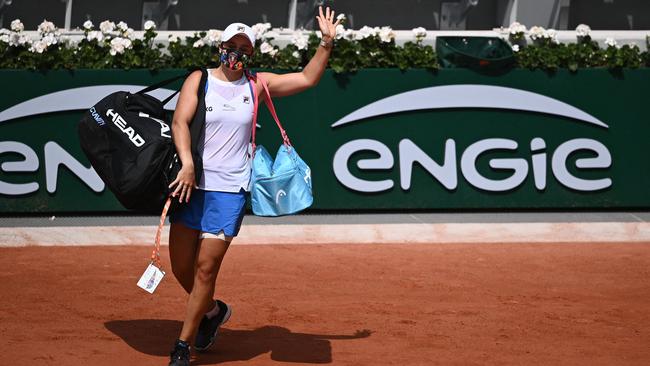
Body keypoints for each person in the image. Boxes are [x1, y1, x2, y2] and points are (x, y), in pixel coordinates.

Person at [166, 6, 341, 366]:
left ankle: (183, 346)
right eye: (233, 45)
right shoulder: (198, 80)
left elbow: (306, 79)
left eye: (245, 49)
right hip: (191, 184)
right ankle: (213, 312)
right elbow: (179, 122)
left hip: (230, 190)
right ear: (221, 45)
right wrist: (186, 163)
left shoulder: (257, 84)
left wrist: (325, 43)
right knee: (180, 268)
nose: (238, 54)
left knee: (204, 270)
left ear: (252, 54)